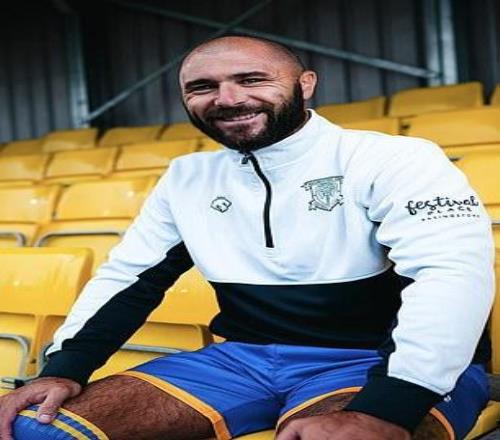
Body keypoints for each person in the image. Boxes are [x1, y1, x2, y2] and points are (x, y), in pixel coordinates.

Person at [0, 35, 494, 440]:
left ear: (305, 84)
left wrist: (390, 405)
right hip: (240, 360)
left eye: (252, 79)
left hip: (376, 361)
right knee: (38, 430)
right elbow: (130, 278)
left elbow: (447, 275)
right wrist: (64, 368)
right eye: (203, 86)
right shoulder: (187, 177)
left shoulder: (395, 158)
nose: (228, 99)